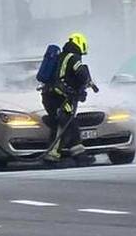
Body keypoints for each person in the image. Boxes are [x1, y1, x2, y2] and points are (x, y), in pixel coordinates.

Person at [41, 32, 96, 164]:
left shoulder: (62, 56)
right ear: (80, 43)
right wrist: (85, 83)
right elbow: (80, 73)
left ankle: (78, 154)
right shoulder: (72, 57)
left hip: (52, 96)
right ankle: (52, 156)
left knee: (68, 125)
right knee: (64, 125)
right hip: (59, 98)